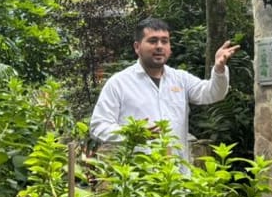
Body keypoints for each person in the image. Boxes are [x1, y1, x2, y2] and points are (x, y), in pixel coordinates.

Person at [89, 17, 239, 167]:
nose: (159, 46)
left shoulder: (181, 79)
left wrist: (219, 69)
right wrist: (132, 134)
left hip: (176, 174)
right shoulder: (119, 83)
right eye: (153, 41)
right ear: (137, 47)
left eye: (164, 41)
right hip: (138, 175)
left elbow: (213, 93)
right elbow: (98, 126)